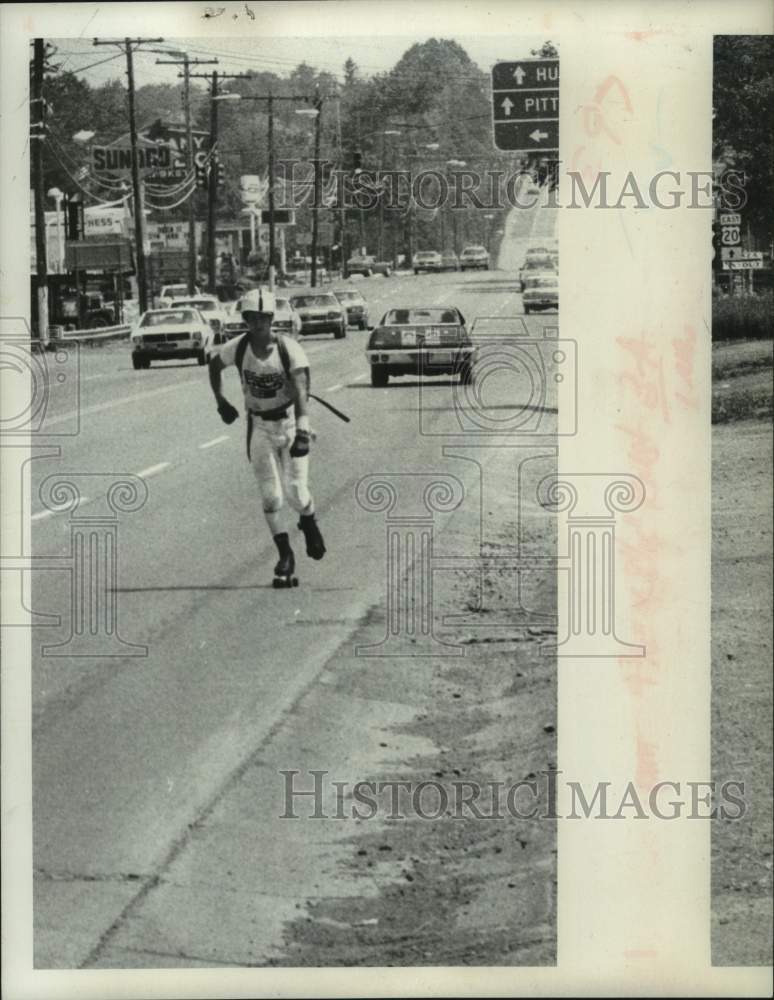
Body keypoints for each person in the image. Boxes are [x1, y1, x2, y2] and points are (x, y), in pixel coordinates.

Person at [207, 287, 326, 587]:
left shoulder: (289, 349)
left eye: (263, 318)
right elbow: (214, 365)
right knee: (271, 496)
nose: (257, 325)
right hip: (259, 425)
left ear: (271, 318)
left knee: (297, 493)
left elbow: (301, 390)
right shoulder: (239, 347)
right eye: (251, 319)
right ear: (245, 319)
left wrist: (302, 430)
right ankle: (285, 554)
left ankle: (309, 520)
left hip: (288, 422)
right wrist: (221, 401)